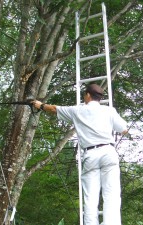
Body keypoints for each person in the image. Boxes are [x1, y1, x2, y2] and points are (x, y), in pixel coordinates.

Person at [32, 83, 128, 225]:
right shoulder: (109, 111)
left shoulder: (77, 111)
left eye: (84, 94)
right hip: (108, 152)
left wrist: (39, 105)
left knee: (90, 199)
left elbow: (52, 109)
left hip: (91, 155)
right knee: (111, 195)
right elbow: (124, 129)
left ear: (88, 95)